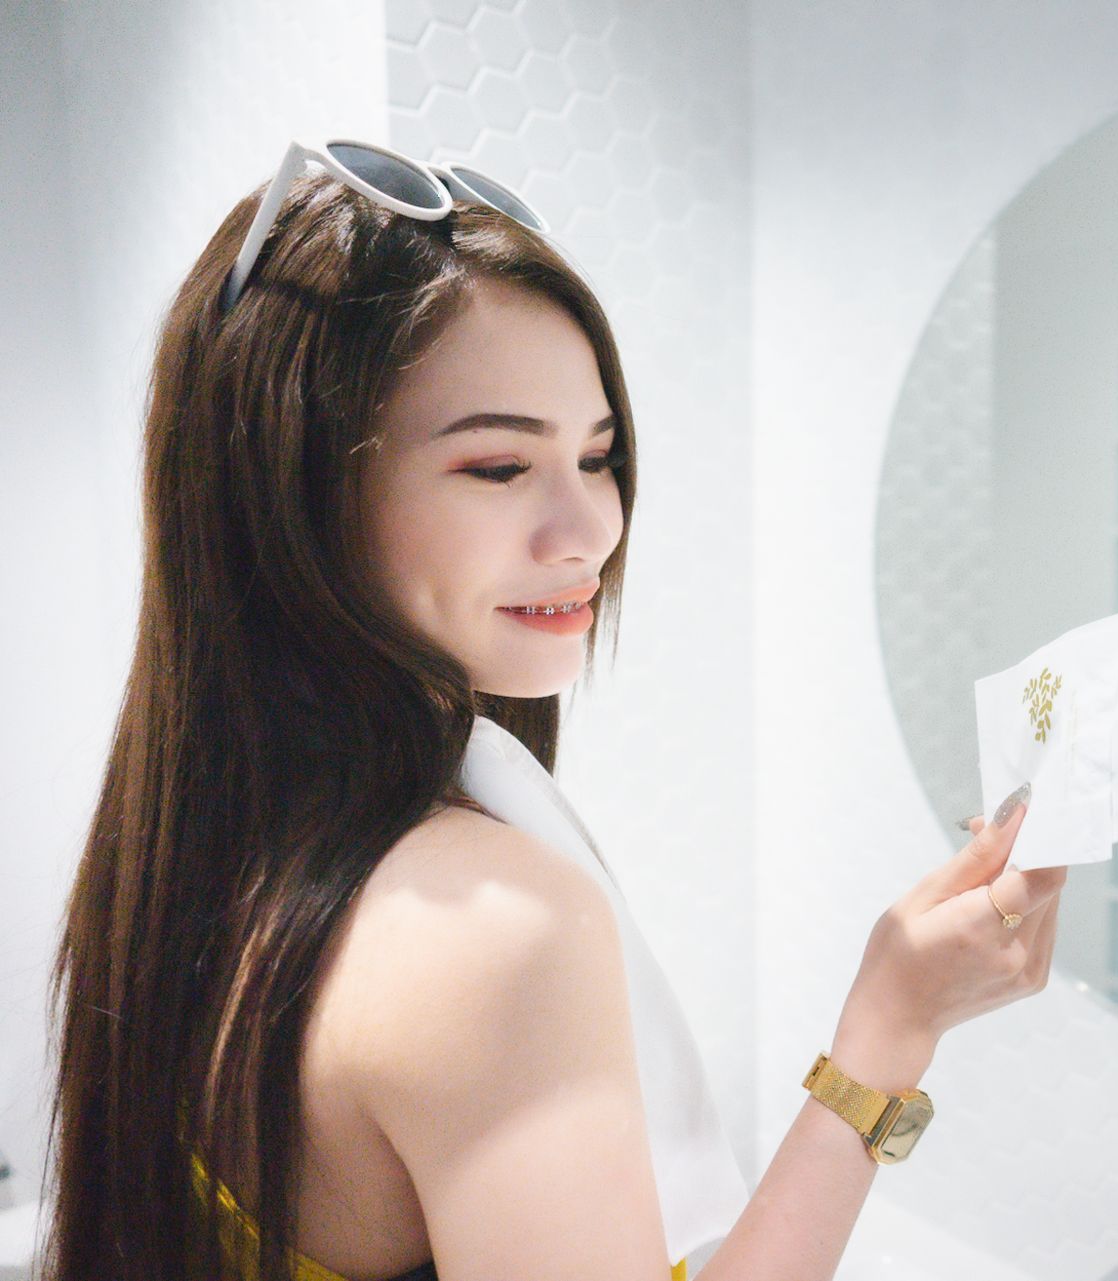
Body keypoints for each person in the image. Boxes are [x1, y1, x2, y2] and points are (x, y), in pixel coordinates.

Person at [46, 140, 1063, 1281]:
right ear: (293, 490)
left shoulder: (202, 849)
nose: (590, 532)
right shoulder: (490, 932)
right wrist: (889, 1031)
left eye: (599, 456)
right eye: (498, 467)